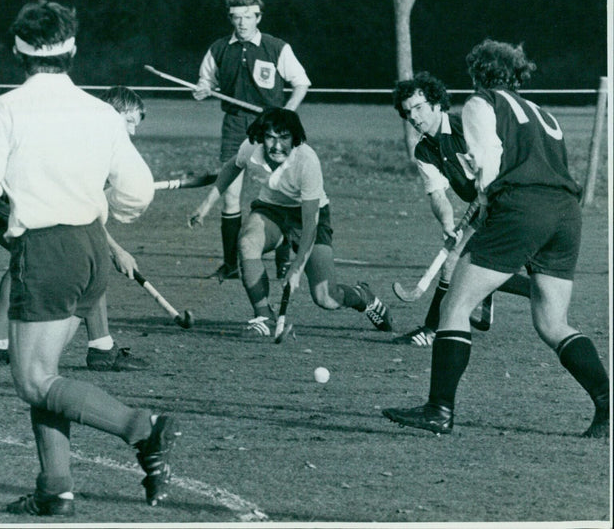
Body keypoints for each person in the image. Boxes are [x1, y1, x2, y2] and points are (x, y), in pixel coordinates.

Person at [0, 0, 181, 515]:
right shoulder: (100, 112)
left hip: (46, 250)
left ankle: (142, 429)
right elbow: (138, 190)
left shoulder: (5, 109)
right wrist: (109, 211)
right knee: (48, 375)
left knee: (34, 380)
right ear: (72, 49)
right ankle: (54, 490)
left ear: (18, 51)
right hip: (90, 247)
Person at [382, 40, 610, 438]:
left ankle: (438, 410)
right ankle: (608, 403)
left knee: (455, 305)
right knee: (553, 322)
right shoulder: (541, 111)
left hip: (522, 207)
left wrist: (487, 202)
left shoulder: (479, 103)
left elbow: (488, 158)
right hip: (566, 213)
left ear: (477, 72)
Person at [0, 85, 149, 372]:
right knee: (84, 261)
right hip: (7, 198)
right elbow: (84, 217)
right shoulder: (88, 143)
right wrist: (117, 250)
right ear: (111, 113)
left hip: (17, 197)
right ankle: (101, 350)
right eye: (129, 121)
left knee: (34, 262)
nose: (132, 132)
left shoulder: (91, 135)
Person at [188, 108, 393, 338]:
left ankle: (363, 296)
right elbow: (232, 166)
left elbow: (310, 224)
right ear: (261, 136)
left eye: (284, 137)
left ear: (294, 138)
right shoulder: (250, 148)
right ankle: (264, 316)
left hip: (306, 216)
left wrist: (296, 268)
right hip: (270, 210)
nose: (276, 146)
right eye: (270, 137)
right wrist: (206, 205)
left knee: (326, 298)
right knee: (247, 243)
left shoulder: (307, 161)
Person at [390, 72, 531, 346]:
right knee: (460, 263)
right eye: (408, 112)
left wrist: (489, 184)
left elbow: (501, 156)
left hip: (512, 198)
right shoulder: (424, 151)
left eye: (419, 107)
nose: (414, 117)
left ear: (436, 103)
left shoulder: (465, 127)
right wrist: (447, 222)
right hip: (486, 205)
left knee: (459, 263)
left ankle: (432, 329)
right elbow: (437, 194)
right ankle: (532, 292)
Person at [193, 0, 311, 283]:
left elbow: (301, 83)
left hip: (272, 127)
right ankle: (230, 265)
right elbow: (204, 83)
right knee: (230, 196)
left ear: (258, 17)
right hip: (235, 126)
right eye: (236, 17)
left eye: (248, 17)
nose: (242, 23)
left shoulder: (276, 47)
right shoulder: (219, 49)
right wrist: (201, 90)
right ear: (230, 18)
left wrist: (285, 114)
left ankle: (283, 259)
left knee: (282, 191)